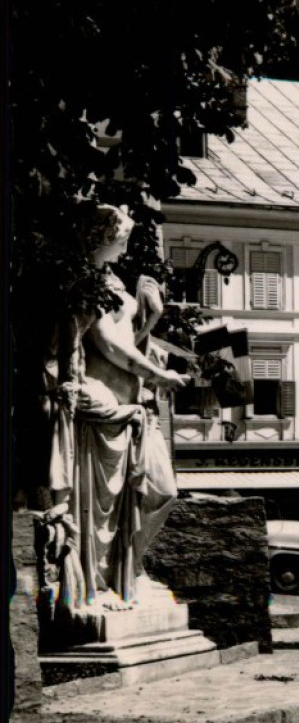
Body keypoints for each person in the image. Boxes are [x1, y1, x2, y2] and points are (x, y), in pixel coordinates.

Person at [44, 205, 188, 613]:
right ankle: (110, 579)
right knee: (112, 509)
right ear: (104, 238)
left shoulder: (112, 281)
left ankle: (130, 569)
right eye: (122, 237)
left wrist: (150, 330)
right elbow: (106, 344)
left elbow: (125, 340)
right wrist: (157, 376)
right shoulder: (87, 285)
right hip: (105, 408)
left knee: (161, 491)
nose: (126, 246)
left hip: (130, 407)